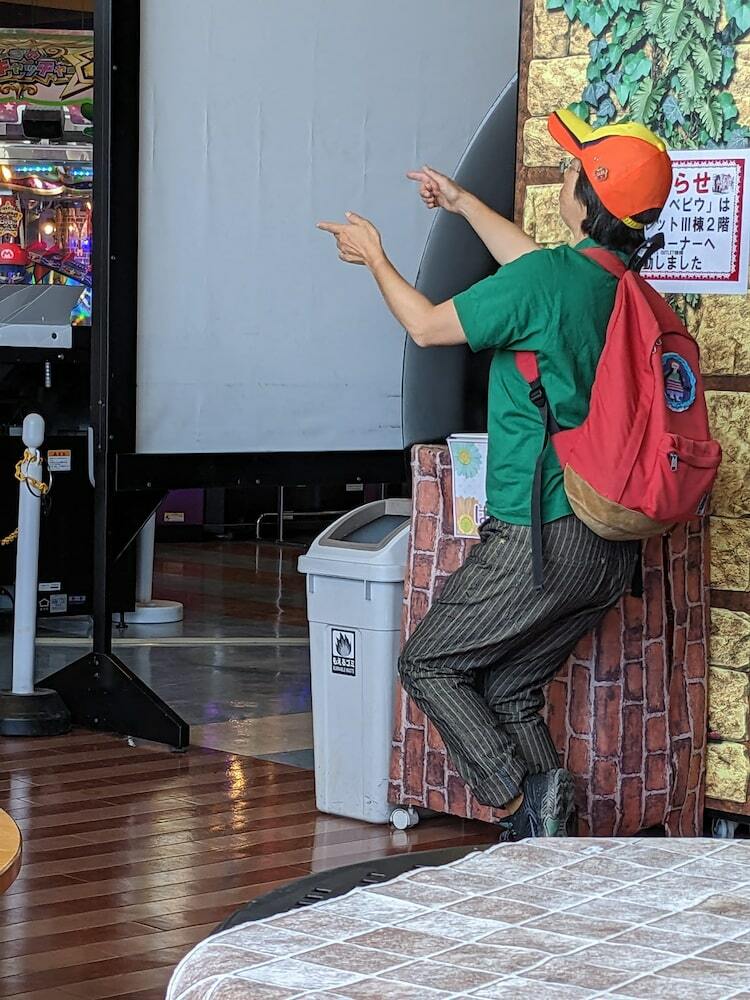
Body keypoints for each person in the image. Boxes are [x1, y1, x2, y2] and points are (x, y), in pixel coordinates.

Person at [318, 108, 673, 839]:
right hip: (609, 547)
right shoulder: (618, 287)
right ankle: (549, 844)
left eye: (574, 169)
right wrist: (462, 202)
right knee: (510, 690)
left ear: (590, 196)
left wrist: (375, 257)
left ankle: (518, 807)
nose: (564, 176)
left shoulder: (547, 281)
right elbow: (531, 264)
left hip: (540, 534)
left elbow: (426, 327)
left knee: (428, 664)